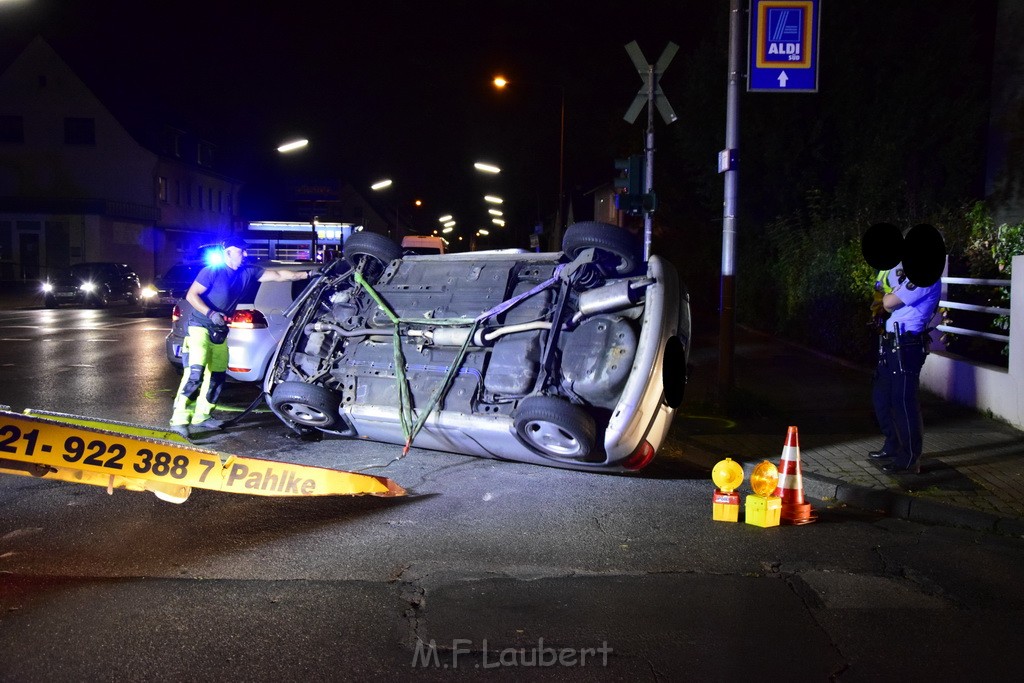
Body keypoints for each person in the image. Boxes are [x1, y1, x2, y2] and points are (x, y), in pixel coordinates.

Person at [169, 236, 315, 437]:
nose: (245, 254)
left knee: (217, 376)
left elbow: (279, 274)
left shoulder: (248, 271)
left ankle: (202, 417)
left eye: (246, 250)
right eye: (240, 251)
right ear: (227, 252)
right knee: (195, 374)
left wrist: (308, 274)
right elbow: (191, 295)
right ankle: (179, 420)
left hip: (220, 332)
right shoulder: (212, 272)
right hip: (199, 328)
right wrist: (211, 314)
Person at [868, 263, 942, 474]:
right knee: (882, 397)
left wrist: (890, 299)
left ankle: (909, 458)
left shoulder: (925, 276)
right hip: (893, 343)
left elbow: (889, 301)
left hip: (907, 345)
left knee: (903, 401)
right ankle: (893, 444)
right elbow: (889, 303)